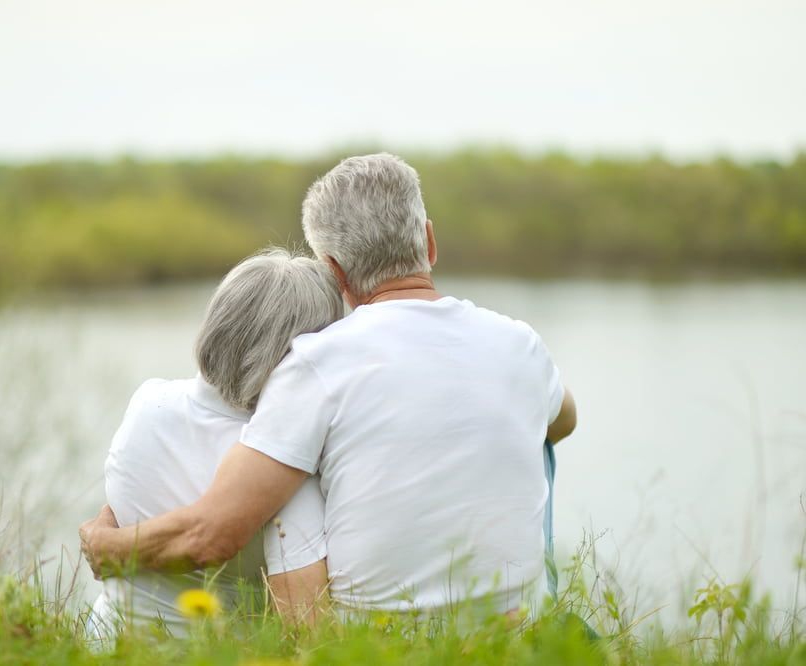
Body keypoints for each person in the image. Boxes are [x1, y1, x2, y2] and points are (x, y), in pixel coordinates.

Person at [80, 153, 577, 621]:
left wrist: (110, 548)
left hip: (380, 645)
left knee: (299, 473)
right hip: (513, 638)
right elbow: (565, 421)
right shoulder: (521, 343)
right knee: (541, 442)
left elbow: (212, 532)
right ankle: (522, 601)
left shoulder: (316, 364)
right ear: (429, 242)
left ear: (334, 271)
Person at [86, 249, 343, 639]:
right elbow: (307, 630)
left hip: (103, 642)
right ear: (298, 357)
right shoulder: (283, 471)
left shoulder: (147, 402)